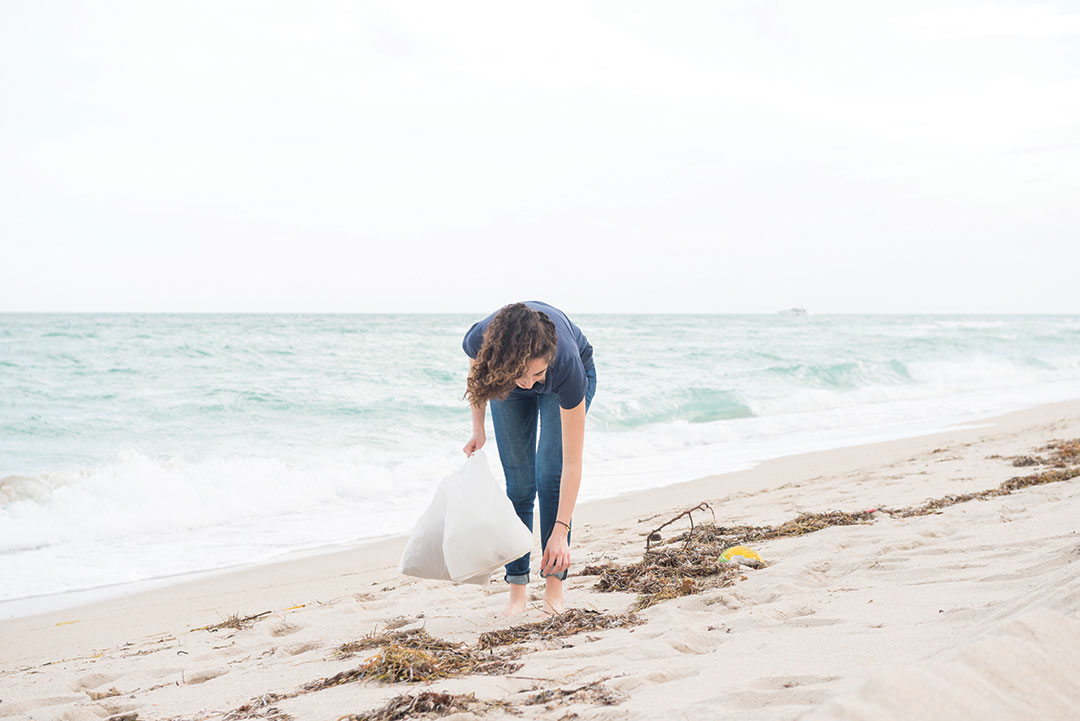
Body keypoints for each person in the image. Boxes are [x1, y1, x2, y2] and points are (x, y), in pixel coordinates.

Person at [462, 301, 596, 616]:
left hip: (561, 382)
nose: (528, 383)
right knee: (520, 486)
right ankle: (517, 593)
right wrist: (478, 428)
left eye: (535, 373)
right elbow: (476, 375)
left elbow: (572, 464)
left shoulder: (565, 366)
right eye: (521, 374)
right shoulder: (481, 339)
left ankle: (554, 590)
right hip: (502, 379)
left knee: (550, 475)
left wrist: (561, 531)